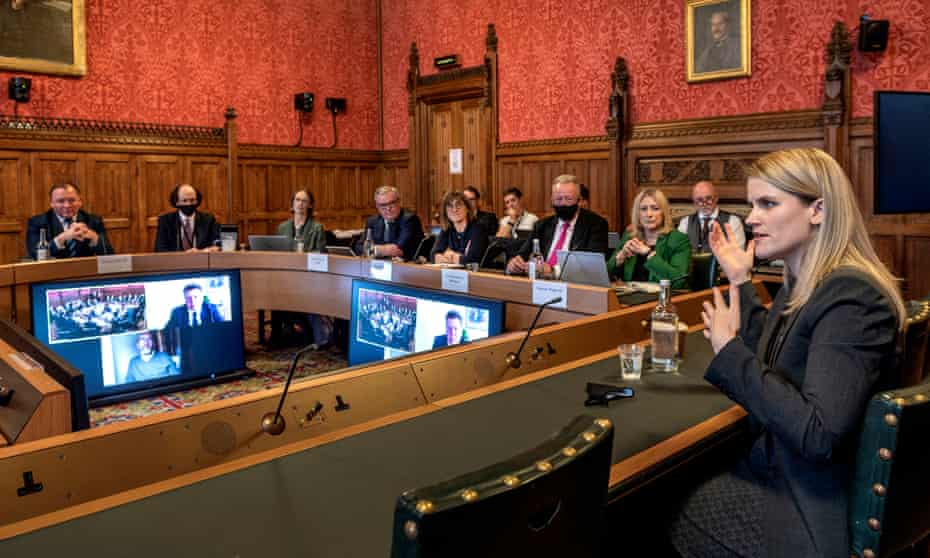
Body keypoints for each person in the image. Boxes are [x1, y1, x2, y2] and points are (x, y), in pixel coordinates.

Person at [667, 148, 905, 558]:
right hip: (782, 472)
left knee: (655, 506)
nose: (751, 218)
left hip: (806, 504)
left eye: (768, 204)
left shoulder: (851, 296)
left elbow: (817, 435)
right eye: (752, 204)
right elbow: (774, 358)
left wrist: (728, 351)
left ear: (818, 209)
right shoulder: (807, 280)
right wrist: (741, 279)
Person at [506, 175, 609, 277]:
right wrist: (514, 263)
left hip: (574, 286)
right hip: (540, 283)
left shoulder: (596, 224)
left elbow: (593, 265)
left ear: (579, 200)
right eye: (558, 199)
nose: (563, 203)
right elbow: (522, 254)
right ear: (552, 200)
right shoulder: (542, 225)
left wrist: (553, 270)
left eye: (568, 199)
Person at [276, 189, 330, 348]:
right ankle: (281, 333)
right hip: (286, 274)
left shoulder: (316, 227)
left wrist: (303, 256)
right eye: (297, 200)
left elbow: (320, 253)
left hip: (309, 275)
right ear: (292, 204)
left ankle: (320, 336)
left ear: (310, 205)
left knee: (308, 293)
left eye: (304, 201)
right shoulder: (283, 227)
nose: (300, 204)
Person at [607, 188, 691, 289]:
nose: (649, 214)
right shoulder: (629, 236)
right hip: (630, 298)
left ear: (663, 213)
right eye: (643, 209)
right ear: (637, 214)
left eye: (655, 208)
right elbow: (605, 276)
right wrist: (620, 257)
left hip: (662, 299)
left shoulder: (678, 239)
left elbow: (678, 282)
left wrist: (648, 254)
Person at [26, 183, 113, 259]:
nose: (67, 205)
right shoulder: (37, 222)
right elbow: (35, 255)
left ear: (80, 202)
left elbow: (109, 255)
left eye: (72, 200)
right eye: (60, 201)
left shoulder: (93, 220)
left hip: (85, 272)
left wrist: (94, 237)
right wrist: (62, 237)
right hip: (52, 273)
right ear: (52, 203)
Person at [356, 186, 425, 261]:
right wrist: (382, 250)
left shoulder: (409, 219)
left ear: (399, 202)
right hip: (379, 266)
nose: (388, 209)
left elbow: (397, 249)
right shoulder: (372, 221)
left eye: (392, 203)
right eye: (383, 205)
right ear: (377, 206)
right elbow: (359, 247)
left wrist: (372, 249)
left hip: (407, 266)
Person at [678, 180, 746, 253]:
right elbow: (678, 250)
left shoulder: (733, 221)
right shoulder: (685, 222)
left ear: (716, 198)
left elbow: (739, 252)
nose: (704, 204)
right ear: (694, 202)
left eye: (708, 198)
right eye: (699, 200)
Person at [154, 184, 221, 252]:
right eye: (184, 201)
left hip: (201, 260)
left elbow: (218, 244)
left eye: (192, 200)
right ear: (176, 202)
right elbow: (159, 248)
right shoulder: (165, 221)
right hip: (175, 261)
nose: (188, 204)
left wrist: (201, 252)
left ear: (197, 201)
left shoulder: (208, 220)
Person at [431, 191, 489, 265]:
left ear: (467, 209)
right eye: (450, 206)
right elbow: (433, 256)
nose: (454, 210)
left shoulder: (478, 229)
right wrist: (459, 257)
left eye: (458, 205)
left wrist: (449, 255)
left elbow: (471, 261)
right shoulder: (446, 229)